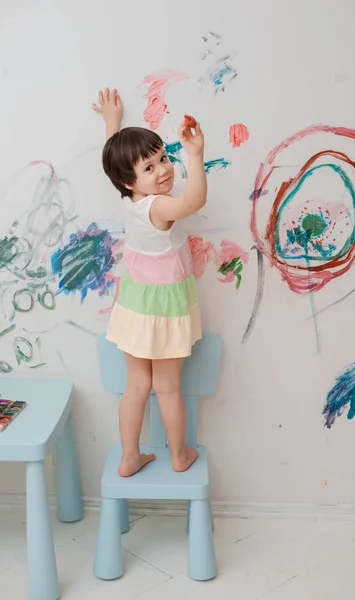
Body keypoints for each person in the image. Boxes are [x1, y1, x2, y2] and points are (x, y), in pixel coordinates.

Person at [92, 88, 206, 476]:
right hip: (166, 307)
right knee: (168, 387)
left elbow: (114, 158)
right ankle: (178, 455)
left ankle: (129, 456)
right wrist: (195, 156)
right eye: (150, 168)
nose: (163, 170)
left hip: (136, 303)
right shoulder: (159, 205)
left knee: (137, 383)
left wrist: (112, 123)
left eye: (164, 158)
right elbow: (192, 203)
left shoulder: (131, 199)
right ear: (130, 182)